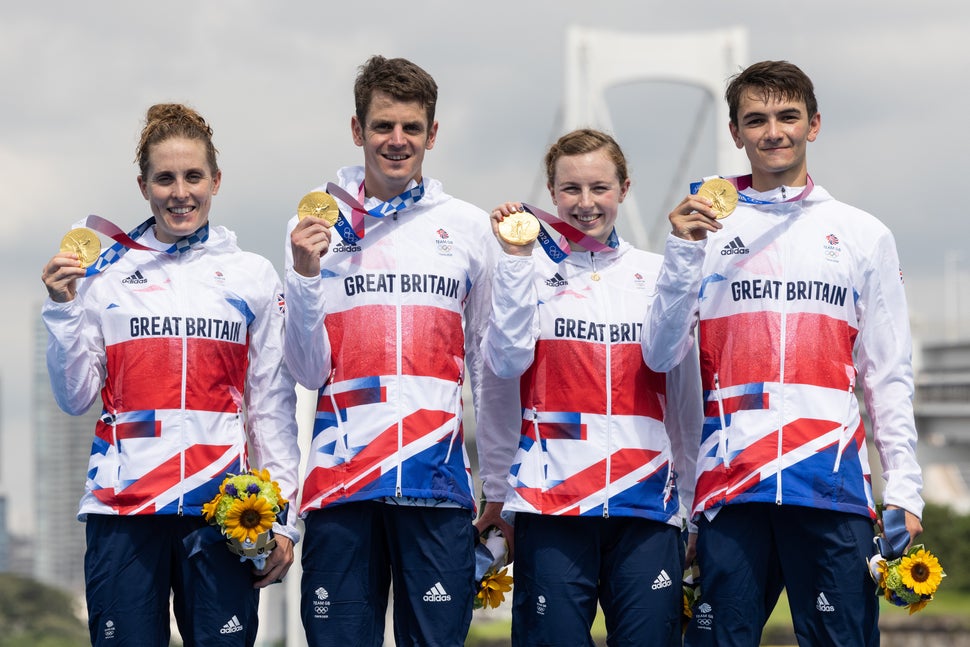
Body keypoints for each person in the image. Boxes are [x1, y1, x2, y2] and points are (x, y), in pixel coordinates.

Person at [644, 60, 924, 646]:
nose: (773, 131)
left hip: (830, 486)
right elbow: (661, 354)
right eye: (757, 119)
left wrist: (903, 489)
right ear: (735, 132)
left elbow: (887, 374)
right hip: (731, 488)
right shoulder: (701, 227)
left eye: (787, 116)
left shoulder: (862, 233)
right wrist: (680, 253)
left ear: (813, 125)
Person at [40, 103, 301, 646]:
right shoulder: (103, 274)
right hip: (124, 511)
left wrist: (281, 521)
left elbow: (271, 408)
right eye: (164, 178)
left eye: (192, 177)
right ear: (143, 186)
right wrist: (63, 308)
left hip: (222, 512)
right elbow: (74, 396)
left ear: (216, 181)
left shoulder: (252, 275)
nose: (180, 192)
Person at [284, 55, 518, 647]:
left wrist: (497, 484)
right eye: (383, 126)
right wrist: (306, 276)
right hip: (342, 483)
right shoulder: (315, 222)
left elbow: (488, 370)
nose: (397, 140)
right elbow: (307, 371)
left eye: (412, 128)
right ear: (357, 130)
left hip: (436, 484)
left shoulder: (467, 227)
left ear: (432, 134)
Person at [482, 128, 702, 646]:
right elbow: (503, 366)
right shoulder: (522, 271)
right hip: (552, 504)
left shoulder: (658, 274)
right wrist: (514, 260)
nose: (586, 204)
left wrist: (692, 503)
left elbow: (685, 401)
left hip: (647, 504)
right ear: (551, 194)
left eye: (599, 188)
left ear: (624, 189)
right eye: (571, 190)